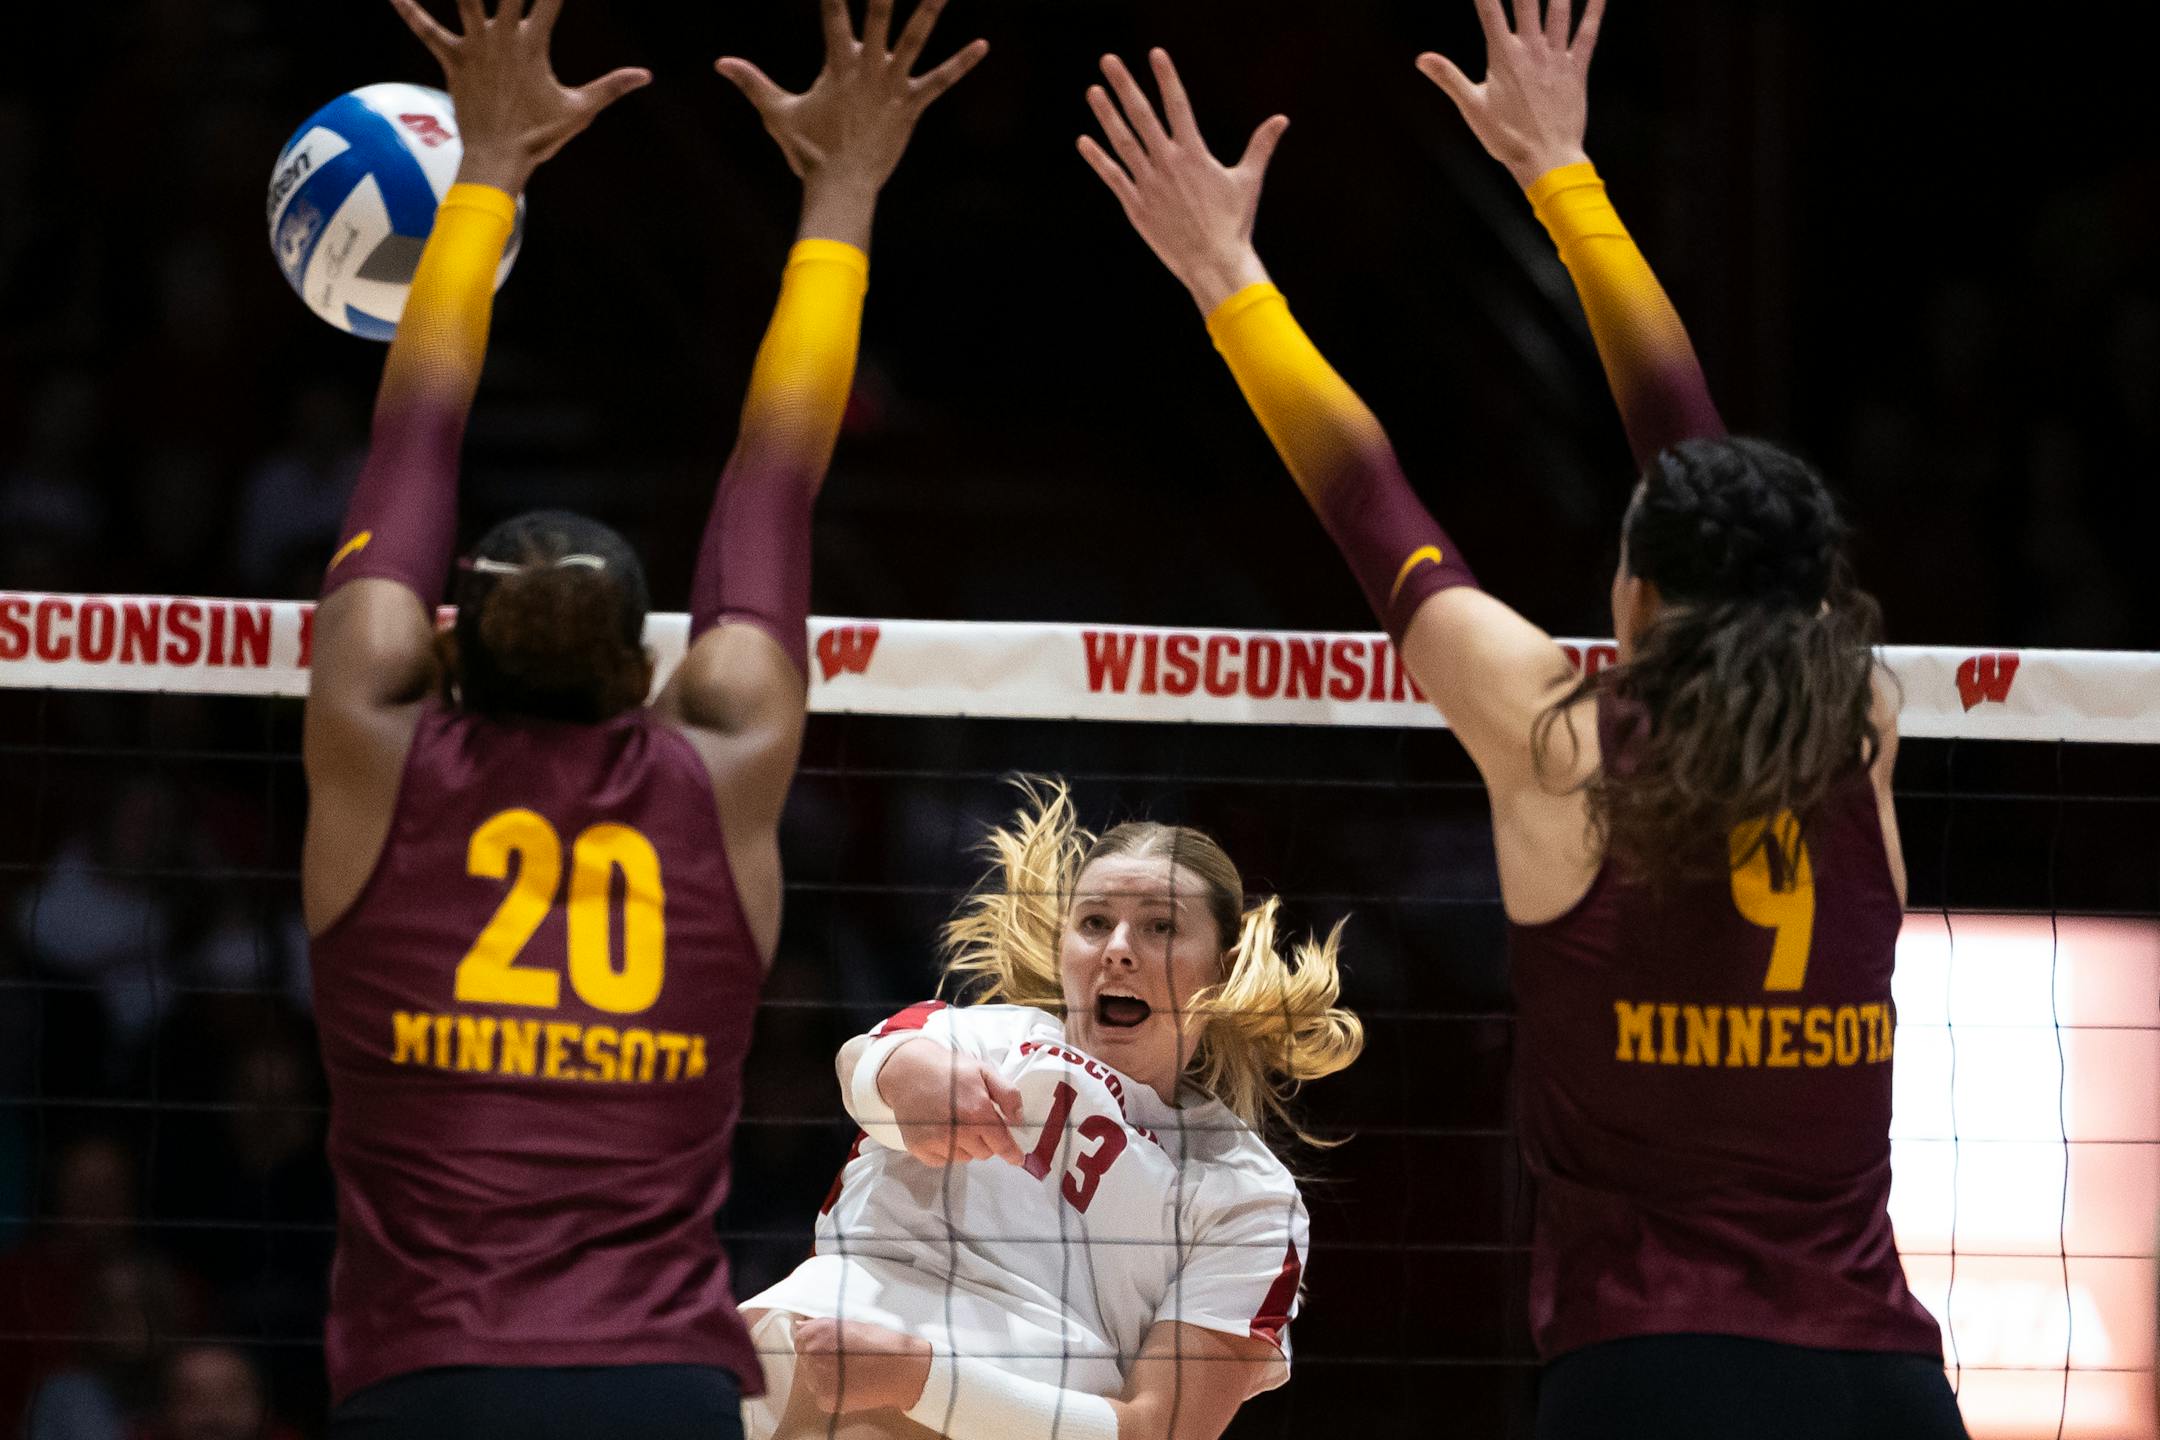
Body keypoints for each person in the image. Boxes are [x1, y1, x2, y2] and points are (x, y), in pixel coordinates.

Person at [1078, 12, 1965, 1439]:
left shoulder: (1561, 742)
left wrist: (1222, 270)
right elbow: (1728, 506)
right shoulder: (1856, 723)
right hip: (1881, 1386)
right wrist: (1565, 172)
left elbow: (1376, 511)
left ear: (1640, 592)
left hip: (1651, 1377)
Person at [301, 0, 983, 1435]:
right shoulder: (719, 764)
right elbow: (776, 478)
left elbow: (412, 430)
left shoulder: (376, 743)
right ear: (648, 673)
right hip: (659, 1387)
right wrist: (844, 192)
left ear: (440, 652)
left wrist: (485, 162)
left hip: (429, 1380)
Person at [737, 781, 1363, 1440]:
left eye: (1160, 926)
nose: (1118, 948)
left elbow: (1159, 1432)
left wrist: (922, 1380)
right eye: (1095, 922)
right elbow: (867, 1060)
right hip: (808, 1362)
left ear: (1224, 965)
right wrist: (907, 1076)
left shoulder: (1247, 1194)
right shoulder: (987, 1037)